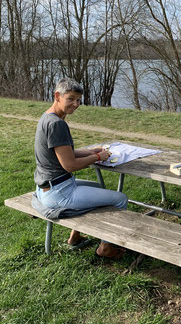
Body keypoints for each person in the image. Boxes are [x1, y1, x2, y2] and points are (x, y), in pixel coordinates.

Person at [34, 77, 127, 258]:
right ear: (57, 96)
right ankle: (106, 248)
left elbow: (65, 153)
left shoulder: (47, 118)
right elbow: (69, 165)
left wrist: (90, 151)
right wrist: (98, 157)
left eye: (78, 100)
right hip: (59, 194)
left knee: (99, 188)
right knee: (120, 198)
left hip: (48, 188)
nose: (76, 104)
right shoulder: (57, 124)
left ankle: (74, 237)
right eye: (71, 99)